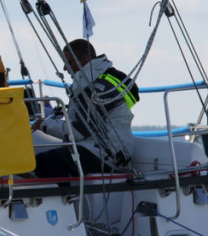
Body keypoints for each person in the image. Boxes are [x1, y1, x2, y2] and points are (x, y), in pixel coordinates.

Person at [33, 38, 138, 175]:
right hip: (101, 148)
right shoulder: (97, 81)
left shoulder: (98, 89)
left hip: (108, 155)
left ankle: (66, 195)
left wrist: (43, 125)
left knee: (45, 162)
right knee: (47, 160)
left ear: (84, 60)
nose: (65, 68)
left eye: (68, 63)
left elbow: (78, 132)